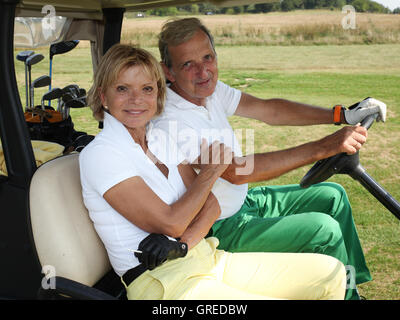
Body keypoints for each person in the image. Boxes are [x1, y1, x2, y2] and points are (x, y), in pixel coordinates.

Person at [79, 44, 347, 300]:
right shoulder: (102, 154)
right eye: (123, 89)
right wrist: (212, 170)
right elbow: (171, 222)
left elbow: (212, 206)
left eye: (147, 89)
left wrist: (182, 244)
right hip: (162, 284)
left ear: (157, 94)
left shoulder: (158, 138)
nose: (136, 100)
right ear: (103, 96)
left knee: (329, 275)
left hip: (204, 257)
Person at [152, 17, 387, 299]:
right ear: (168, 71)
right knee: (323, 231)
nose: (203, 71)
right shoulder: (171, 121)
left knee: (333, 196)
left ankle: (351, 288)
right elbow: (238, 171)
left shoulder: (208, 92)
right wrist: (323, 147)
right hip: (219, 226)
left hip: (246, 201)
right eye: (188, 64)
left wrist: (341, 115)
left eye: (208, 57)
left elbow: (269, 110)